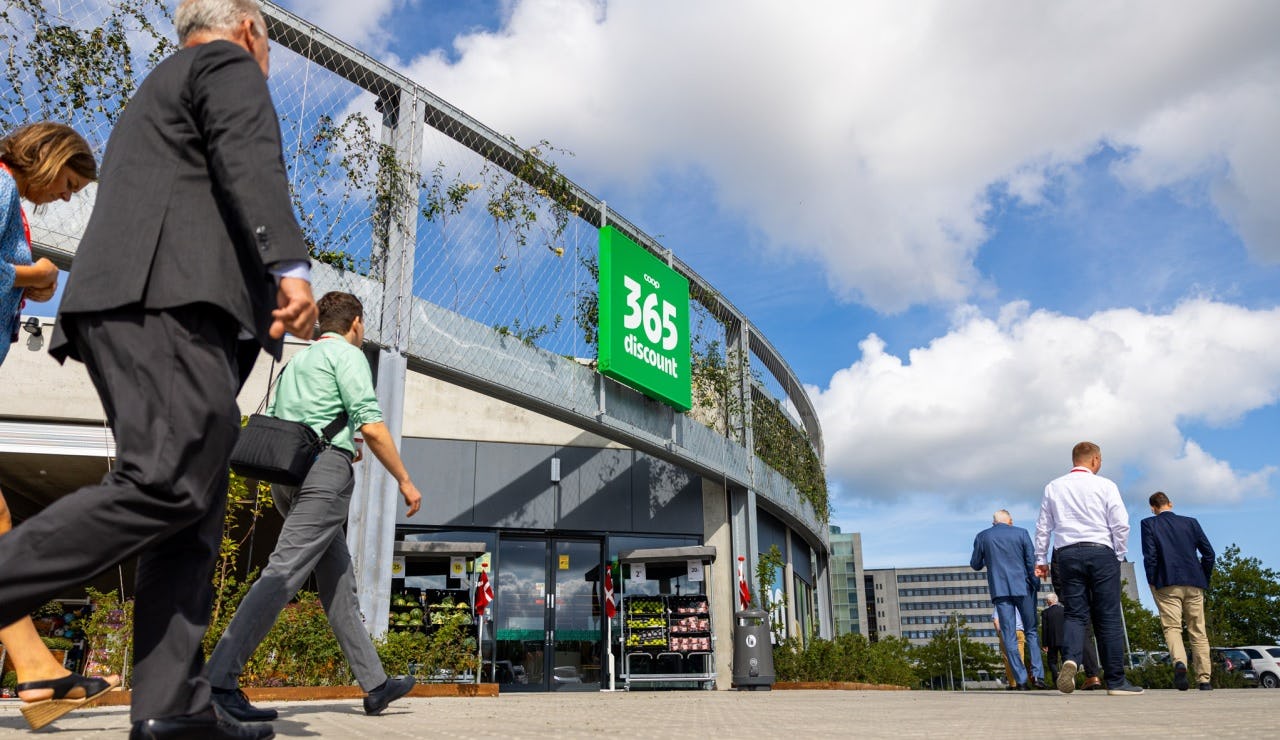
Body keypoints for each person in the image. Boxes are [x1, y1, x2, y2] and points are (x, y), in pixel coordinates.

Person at [0, 1, 317, 737]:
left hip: (160, 310)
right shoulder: (224, 62)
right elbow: (251, 156)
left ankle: (175, 708)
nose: (267, 63)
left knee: (191, 514)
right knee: (166, 483)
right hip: (166, 306)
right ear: (250, 30)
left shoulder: (162, 90)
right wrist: (289, 265)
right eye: (269, 47)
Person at [205, 291, 423, 721]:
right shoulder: (348, 356)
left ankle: (376, 685)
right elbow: (371, 425)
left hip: (287, 478)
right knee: (283, 572)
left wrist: (339, 446)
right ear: (355, 323)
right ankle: (217, 682)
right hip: (323, 478)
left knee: (339, 586)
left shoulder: (298, 361)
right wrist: (404, 479)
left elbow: (292, 422)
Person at [0, 121, 121, 729]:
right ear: (48, 157)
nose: (67, 196)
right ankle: (36, 670)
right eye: (70, 183)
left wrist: (32, 283)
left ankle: (35, 668)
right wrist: (34, 275)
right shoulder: (0, 184)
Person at [1034, 442, 1143, 695]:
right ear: (1095, 460)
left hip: (1066, 554)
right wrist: (1118, 554)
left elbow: (1043, 527)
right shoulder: (1106, 485)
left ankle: (1072, 659)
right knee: (1108, 616)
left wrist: (1041, 559)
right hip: (1101, 551)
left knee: (1075, 614)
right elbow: (1121, 523)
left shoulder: (1053, 486)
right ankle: (1116, 681)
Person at [1141, 491, 1215, 691]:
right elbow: (1209, 554)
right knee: (1198, 630)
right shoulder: (1191, 523)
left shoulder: (1148, 524)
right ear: (1170, 504)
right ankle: (1204, 679)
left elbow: (1150, 556)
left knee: (1172, 628)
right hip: (1194, 581)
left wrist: (1152, 581)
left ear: (1153, 508)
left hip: (1167, 582)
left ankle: (1180, 662)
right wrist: (1203, 577)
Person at [971, 509, 1045, 690]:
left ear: (994, 522)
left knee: (1009, 635)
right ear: (1009, 521)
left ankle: (1021, 680)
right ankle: (1038, 676)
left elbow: (975, 564)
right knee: (1031, 631)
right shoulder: (1022, 533)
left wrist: (989, 557)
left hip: (1000, 590)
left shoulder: (983, 536)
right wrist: (1035, 584)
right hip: (1024, 588)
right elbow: (1031, 562)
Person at [1049, 556, 1103, 689]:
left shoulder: (1062, 544)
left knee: (1082, 630)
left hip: (1073, 593)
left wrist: (1061, 593)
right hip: (1097, 587)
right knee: (1104, 628)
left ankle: (1082, 668)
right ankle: (1113, 675)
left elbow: (1056, 568)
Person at [991, 606, 1028, 689]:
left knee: (1008, 658)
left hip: (1006, 632)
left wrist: (999, 633)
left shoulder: (1000, 604)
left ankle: (1013, 684)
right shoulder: (1019, 604)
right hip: (1019, 631)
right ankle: (1022, 683)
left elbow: (996, 621)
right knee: (1020, 657)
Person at [1039, 592, 1064, 684]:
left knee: (1051, 662)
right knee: (1066, 659)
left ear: (1049, 601)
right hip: (1064, 640)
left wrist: (1044, 644)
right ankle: (1067, 677)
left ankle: (1056, 675)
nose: (1046, 602)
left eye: (1046, 601)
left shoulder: (1045, 612)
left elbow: (1044, 629)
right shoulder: (1064, 610)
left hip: (1051, 641)